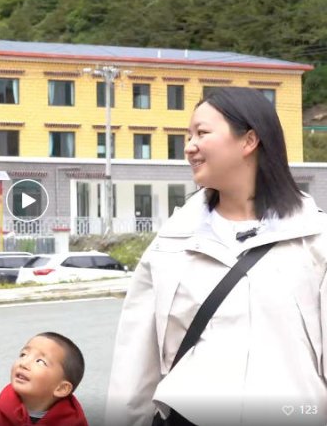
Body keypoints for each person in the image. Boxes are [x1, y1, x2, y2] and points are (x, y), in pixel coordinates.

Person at [105, 87, 327, 426]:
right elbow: (135, 360)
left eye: (202, 133)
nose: (189, 146)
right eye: (189, 135)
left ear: (249, 140)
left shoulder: (314, 237)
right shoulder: (173, 242)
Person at [0, 332, 88, 426]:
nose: (24, 363)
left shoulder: (74, 422)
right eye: (23, 354)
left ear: (62, 388)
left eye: (40, 361)